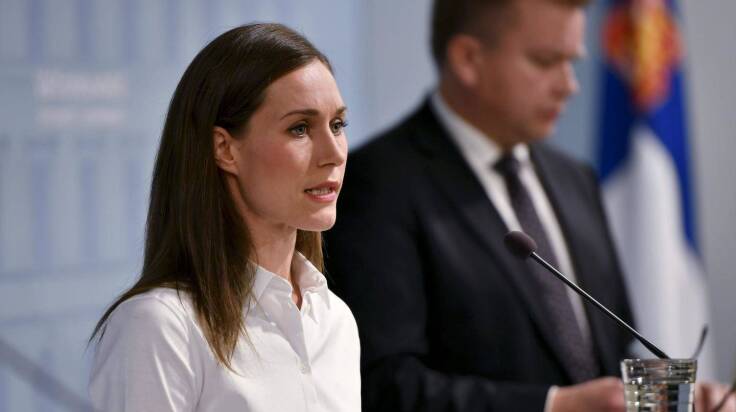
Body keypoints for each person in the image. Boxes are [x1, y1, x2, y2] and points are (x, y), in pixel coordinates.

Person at [324, 0, 734, 411]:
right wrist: (554, 405)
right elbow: (385, 386)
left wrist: (673, 401)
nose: (569, 85)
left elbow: (610, 351)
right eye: (546, 61)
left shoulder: (576, 179)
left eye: (572, 62)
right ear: (468, 59)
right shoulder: (377, 183)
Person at [88, 23, 359, 412]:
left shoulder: (336, 321)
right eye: (300, 128)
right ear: (225, 149)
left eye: (337, 125)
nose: (333, 153)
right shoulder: (160, 326)